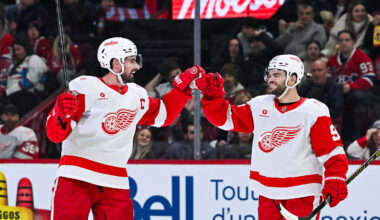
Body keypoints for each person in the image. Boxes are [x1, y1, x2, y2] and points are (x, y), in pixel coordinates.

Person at [45, 37, 206, 219]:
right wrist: (60, 114)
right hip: (75, 177)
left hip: (115, 182)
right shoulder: (84, 87)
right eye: (131, 61)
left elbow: (164, 114)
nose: (137, 66)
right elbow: (55, 135)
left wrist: (182, 90)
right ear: (115, 64)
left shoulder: (136, 94)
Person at [196, 54, 348, 219]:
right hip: (268, 193)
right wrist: (212, 98)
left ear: (292, 79)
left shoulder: (313, 111)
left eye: (277, 75)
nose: (270, 79)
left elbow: (332, 151)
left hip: (303, 193)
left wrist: (335, 177)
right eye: (270, 74)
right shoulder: (260, 105)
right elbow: (225, 118)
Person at [327, 30, 375, 141]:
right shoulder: (332, 61)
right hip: (337, 95)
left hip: (356, 94)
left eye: (347, 40)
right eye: (341, 40)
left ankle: (358, 136)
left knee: (357, 97)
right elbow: (327, 80)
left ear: (353, 41)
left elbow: (369, 79)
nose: (343, 43)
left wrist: (351, 86)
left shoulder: (362, 58)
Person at [299, 59, 344, 129]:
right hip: (304, 122)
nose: (316, 73)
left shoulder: (335, 87)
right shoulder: (305, 87)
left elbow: (335, 112)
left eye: (319, 70)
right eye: (313, 71)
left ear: (326, 71)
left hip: (325, 123)